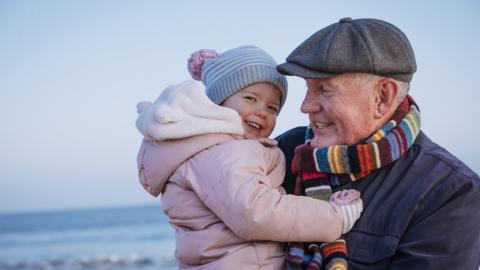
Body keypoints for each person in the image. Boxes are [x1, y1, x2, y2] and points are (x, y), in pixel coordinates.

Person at [275, 17, 480, 269]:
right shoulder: (285, 150)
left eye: (325, 89)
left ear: (383, 97)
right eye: (307, 88)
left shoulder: (449, 192)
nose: (305, 106)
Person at [135, 45, 363, 269]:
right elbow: (255, 212)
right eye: (251, 99)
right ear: (218, 102)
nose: (262, 111)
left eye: (273, 107)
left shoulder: (204, 147)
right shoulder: (223, 153)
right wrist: (333, 216)